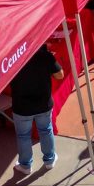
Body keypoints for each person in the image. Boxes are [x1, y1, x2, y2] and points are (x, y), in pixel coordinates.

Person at [11, 43, 65, 173]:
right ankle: (50, 160)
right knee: (46, 130)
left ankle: (25, 165)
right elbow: (60, 75)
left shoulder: (12, 58)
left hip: (21, 106)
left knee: (23, 136)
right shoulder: (45, 56)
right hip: (43, 104)